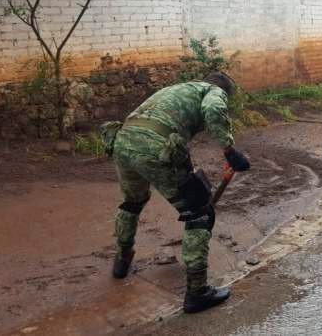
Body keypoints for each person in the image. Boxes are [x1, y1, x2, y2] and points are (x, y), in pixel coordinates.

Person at [104, 72, 251, 314]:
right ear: (224, 91)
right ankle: (197, 292)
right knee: (200, 214)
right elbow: (214, 109)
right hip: (155, 147)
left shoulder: (180, 88)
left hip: (123, 141)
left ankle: (122, 261)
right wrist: (230, 151)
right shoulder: (212, 92)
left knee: (132, 202)